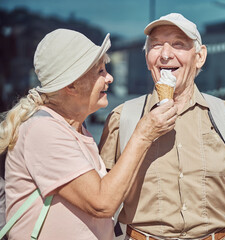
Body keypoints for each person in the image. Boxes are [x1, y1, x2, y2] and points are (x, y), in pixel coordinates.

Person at [99, 13, 225, 240]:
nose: (166, 55)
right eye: (157, 45)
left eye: (178, 45)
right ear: (148, 57)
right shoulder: (122, 117)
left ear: (200, 57)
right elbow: (102, 195)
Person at [0, 28, 177, 239]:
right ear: (72, 85)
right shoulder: (42, 131)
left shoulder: (74, 129)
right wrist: (144, 134)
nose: (109, 78)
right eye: (100, 71)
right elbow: (102, 203)